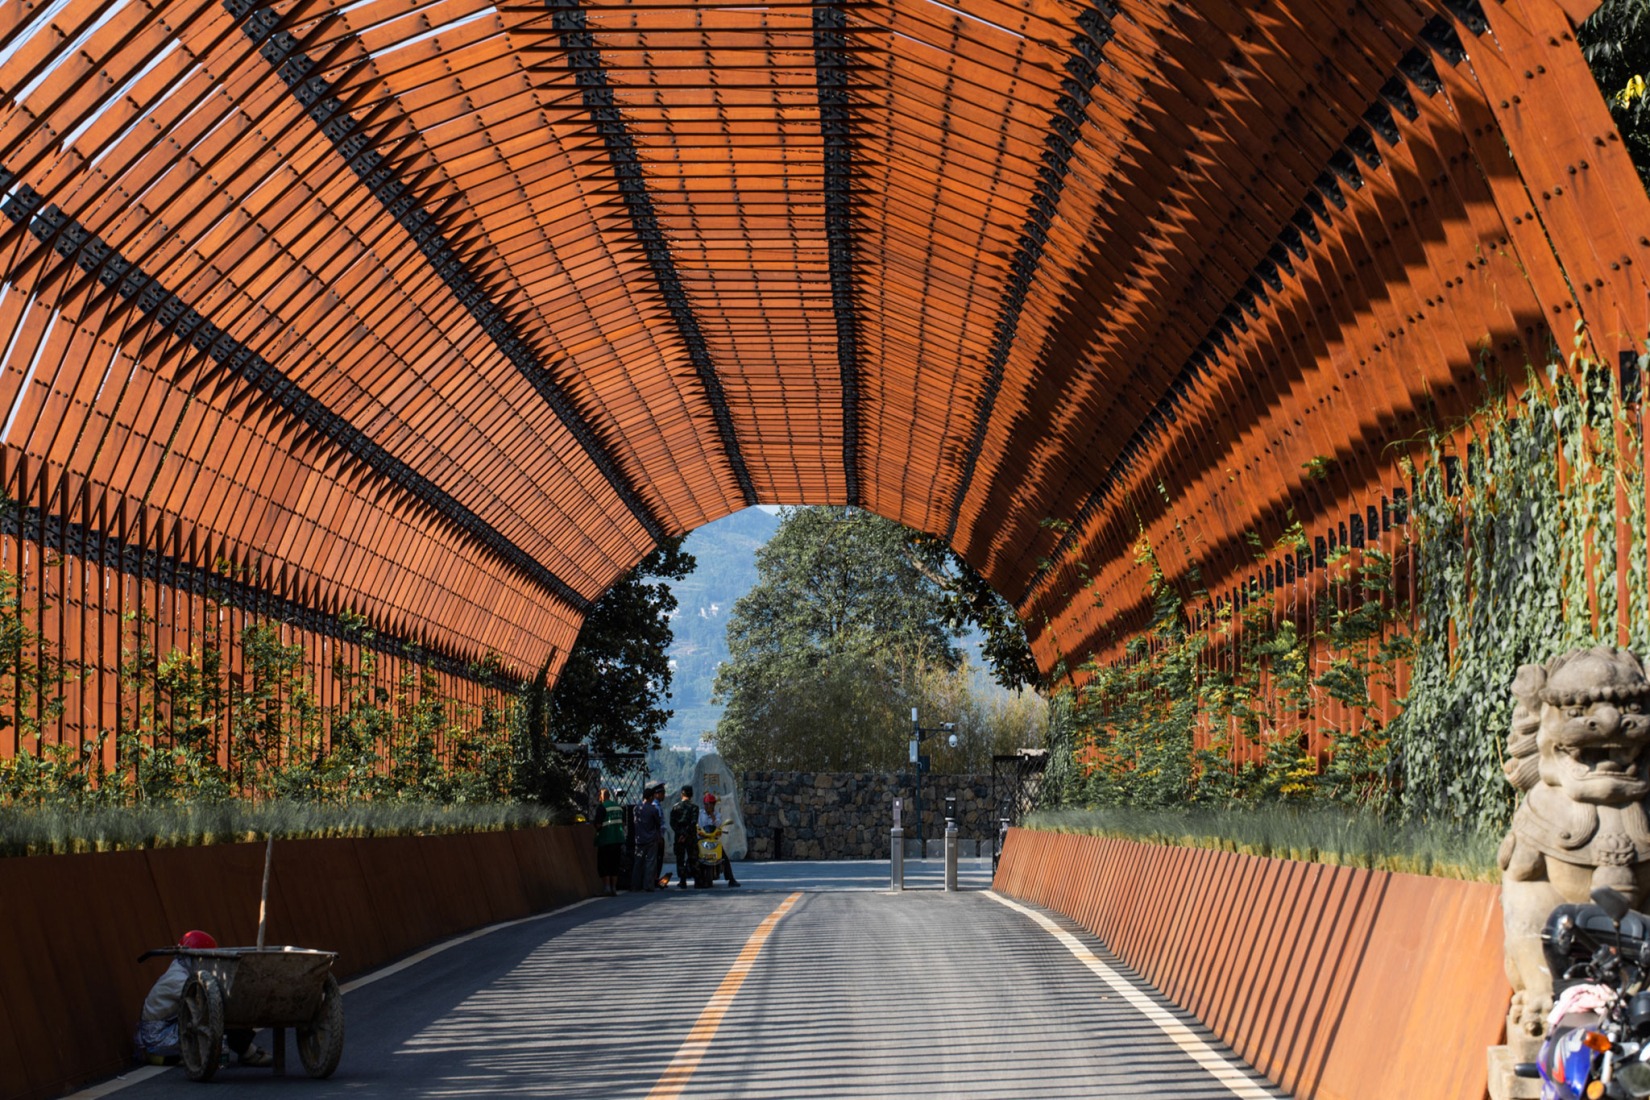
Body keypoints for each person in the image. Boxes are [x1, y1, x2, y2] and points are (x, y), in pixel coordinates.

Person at [135, 930, 272, 1067]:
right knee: (217, 1014)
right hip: (158, 1038)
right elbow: (207, 1001)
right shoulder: (177, 978)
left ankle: (244, 1049)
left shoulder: (184, 970)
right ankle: (248, 1052)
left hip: (167, 1028)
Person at [698, 793, 740, 887]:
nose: (707, 806)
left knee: (724, 858)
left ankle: (731, 879)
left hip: (713, 840)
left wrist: (712, 815)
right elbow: (697, 825)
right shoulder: (700, 814)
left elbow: (718, 825)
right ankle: (691, 879)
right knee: (693, 856)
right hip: (702, 839)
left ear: (713, 805)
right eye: (706, 804)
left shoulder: (717, 815)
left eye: (709, 804)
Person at [631, 783, 665, 893]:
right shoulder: (653, 810)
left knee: (638, 863)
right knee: (650, 863)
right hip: (651, 840)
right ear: (651, 797)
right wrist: (659, 837)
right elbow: (658, 825)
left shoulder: (636, 808)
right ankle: (648, 885)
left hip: (639, 839)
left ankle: (635, 885)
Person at [594, 786, 625, 896]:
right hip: (618, 840)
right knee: (614, 865)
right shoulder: (618, 807)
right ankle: (613, 888)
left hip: (605, 840)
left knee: (604, 865)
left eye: (599, 796)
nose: (598, 798)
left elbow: (598, 825)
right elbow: (623, 823)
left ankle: (607, 888)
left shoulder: (602, 807)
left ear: (602, 796)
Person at [669, 784, 698, 890]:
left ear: (682, 794)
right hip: (690, 836)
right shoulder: (694, 807)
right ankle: (696, 880)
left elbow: (672, 823)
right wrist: (685, 834)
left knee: (680, 859)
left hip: (679, 837)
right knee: (693, 858)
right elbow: (693, 822)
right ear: (691, 794)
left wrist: (680, 834)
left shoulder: (676, 807)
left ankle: (682, 881)